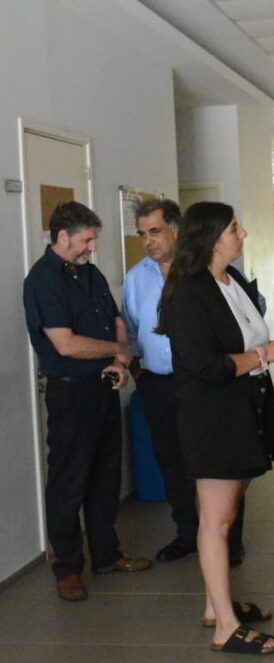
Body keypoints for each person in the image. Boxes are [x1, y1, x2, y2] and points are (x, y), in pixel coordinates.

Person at [159, 202, 274, 655]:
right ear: (214, 237)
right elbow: (205, 366)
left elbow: (244, 339)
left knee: (228, 512)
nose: (243, 234)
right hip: (212, 417)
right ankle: (225, 627)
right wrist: (263, 356)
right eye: (235, 227)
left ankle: (214, 605)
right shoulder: (189, 293)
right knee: (216, 520)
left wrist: (264, 353)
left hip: (242, 409)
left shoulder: (230, 280)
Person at [23, 201, 152, 602]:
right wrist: (117, 350)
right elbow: (66, 344)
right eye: (86, 240)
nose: (92, 247)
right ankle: (67, 570)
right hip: (70, 393)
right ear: (62, 236)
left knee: (105, 477)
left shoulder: (90, 273)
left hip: (103, 386)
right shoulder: (43, 280)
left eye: (93, 239)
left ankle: (106, 555)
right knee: (69, 481)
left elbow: (116, 320)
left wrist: (120, 360)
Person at [123, 199, 246, 566]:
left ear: (176, 231)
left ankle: (229, 539)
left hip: (203, 382)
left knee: (220, 462)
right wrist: (140, 373)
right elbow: (132, 330)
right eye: (142, 234)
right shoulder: (136, 278)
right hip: (158, 384)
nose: (148, 241)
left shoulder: (205, 273)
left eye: (155, 231)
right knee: (171, 460)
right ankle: (186, 532)